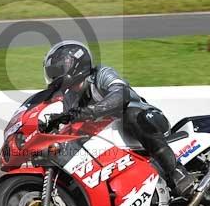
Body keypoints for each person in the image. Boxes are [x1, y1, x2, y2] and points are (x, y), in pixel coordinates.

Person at [42, 40, 196, 196]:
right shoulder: (70, 97)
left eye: (58, 70)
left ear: (74, 65)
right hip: (116, 140)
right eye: (52, 71)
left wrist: (92, 110)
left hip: (148, 122)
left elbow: (121, 94)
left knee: (132, 115)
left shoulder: (101, 74)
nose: (54, 76)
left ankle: (177, 171)